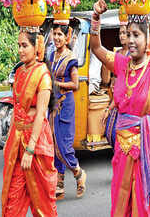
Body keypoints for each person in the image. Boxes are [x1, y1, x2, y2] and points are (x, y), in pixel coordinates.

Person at [90, 0, 150, 216]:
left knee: (142, 207)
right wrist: (96, 18)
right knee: (120, 205)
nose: (131, 40)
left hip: (147, 151)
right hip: (121, 150)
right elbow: (96, 48)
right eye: (129, 34)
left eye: (137, 35)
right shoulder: (121, 63)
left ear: (149, 37)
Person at [1, 30, 58, 217]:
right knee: (12, 203)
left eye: (25, 45)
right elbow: (17, 108)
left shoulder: (43, 75)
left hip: (36, 145)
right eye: (19, 45)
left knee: (43, 204)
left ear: (37, 47)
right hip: (17, 143)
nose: (20, 50)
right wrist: (9, 139)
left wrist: (30, 150)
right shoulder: (19, 72)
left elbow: (41, 113)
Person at [48, 23, 86, 200]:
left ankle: (78, 173)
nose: (56, 38)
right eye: (54, 34)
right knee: (54, 144)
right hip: (54, 104)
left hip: (66, 104)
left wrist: (57, 84)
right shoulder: (51, 55)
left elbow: (75, 84)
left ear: (67, 37)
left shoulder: (70, 57)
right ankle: (59, 183)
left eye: (60, 35)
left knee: (64, 146)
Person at [105, 24, 129, 147]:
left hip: (127, 95)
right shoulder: (117, 52)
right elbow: (110, 76)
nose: (122, 36)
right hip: (115, 93)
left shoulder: (133, 54)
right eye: (120, 33)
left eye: (124, 33)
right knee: (109, 129)